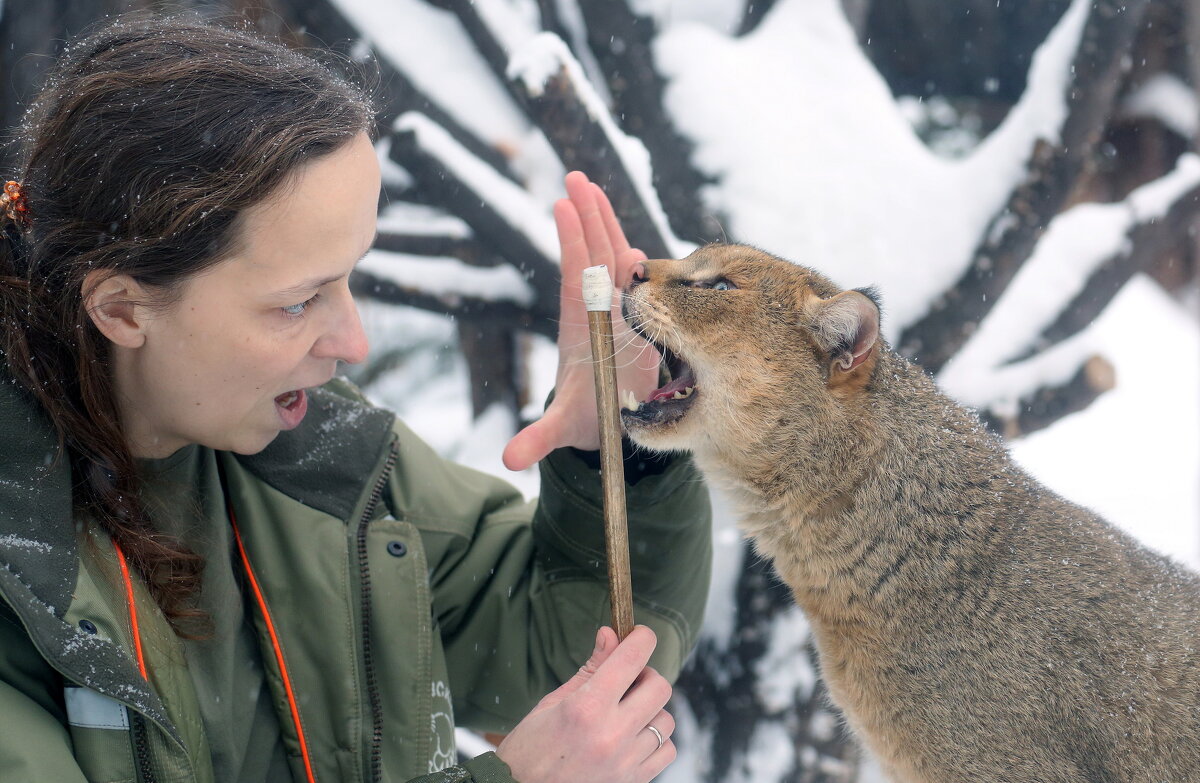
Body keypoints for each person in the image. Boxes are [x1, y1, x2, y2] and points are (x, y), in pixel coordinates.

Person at [0, 16, 711, 783]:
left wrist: (614, 452)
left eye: (351, 278)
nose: (353, 342)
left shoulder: (322, 464)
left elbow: (559, 654)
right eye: (298, 302)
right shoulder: (23, 573)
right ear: (122, 309)